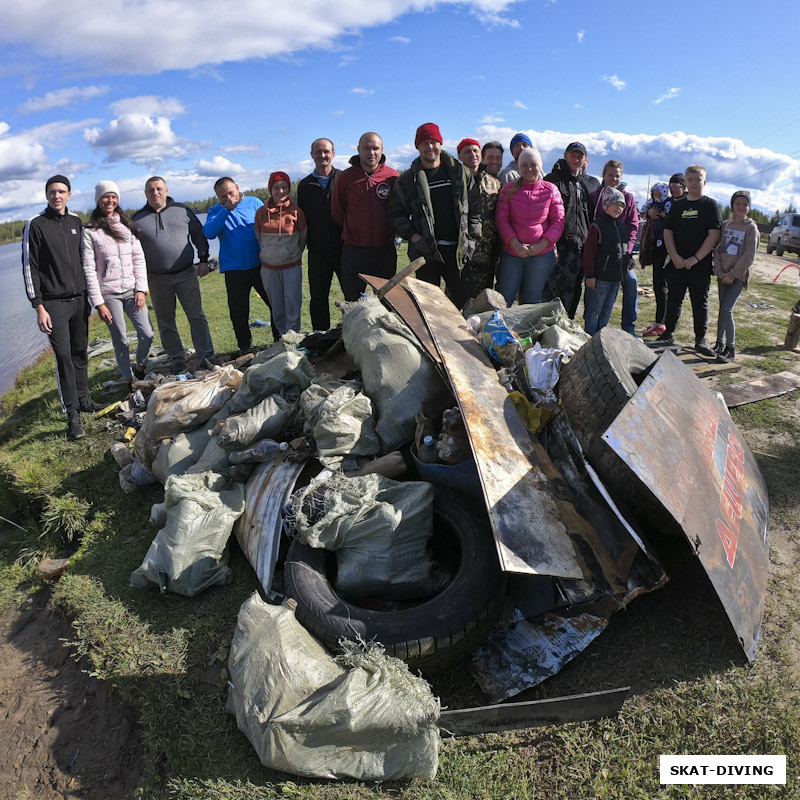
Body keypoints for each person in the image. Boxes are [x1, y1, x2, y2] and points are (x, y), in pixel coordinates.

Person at [22, 174, 96, 440]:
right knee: (63, 356)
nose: (57, 196)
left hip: (80, 299)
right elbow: (29, 267)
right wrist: (38, 306)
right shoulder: (35, 224)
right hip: (53, 303)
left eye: (62, 192)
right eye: (52, 192)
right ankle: (72, 415)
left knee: (80, 351)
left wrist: (92, 295)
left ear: (69, 195)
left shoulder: (76, 221)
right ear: (46, 195)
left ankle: (85, 401)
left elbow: (86, 259)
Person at [388, 122, 480, 309]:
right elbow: (395, 213)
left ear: (440, 144)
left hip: (458, 253)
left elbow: (476, 206)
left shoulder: (459, 172)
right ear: (417, 147)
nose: (430, 147)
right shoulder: (408, 179)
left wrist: (472, 236)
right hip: (426, 253)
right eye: (424, 143)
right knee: (429, 307)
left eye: (433, 142)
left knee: (466, 303)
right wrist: (414, 237)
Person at [132, 176, 214, 373]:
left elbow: (198, 235)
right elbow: (132, 252)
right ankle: (177, 359)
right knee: (165, 321)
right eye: (151, 190)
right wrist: (140, 283)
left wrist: (203, 260)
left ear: (166, 190)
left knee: (196, 316)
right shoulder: (136, 220)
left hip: (186, 273)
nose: (155, 193)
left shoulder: (182, 210)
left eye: (159, 188)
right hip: (156, 278)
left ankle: (207, 355)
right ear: (145, 193)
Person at [82, 180, 155, 383]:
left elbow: (138, 259)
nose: (110, 200)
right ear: (98, 200)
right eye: (106, 197)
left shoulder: (127, 227)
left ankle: (140, 367)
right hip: (109, 294)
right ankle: (128, 379)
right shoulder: (90, 231)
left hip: (132, 291)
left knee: (147, 334)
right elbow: (89, 268)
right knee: (121, 339)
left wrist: (141, 289)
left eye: (113, 197)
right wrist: (99, 303)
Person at [203, 177, 277, 353]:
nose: (228, 198)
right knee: (238, 311)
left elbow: (268, 225)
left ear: (237, 187)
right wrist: (225, 210)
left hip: (260, 264)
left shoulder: (254, 202)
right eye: (222, 196)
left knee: (275, 303)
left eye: (230, 192)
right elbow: (209, 232)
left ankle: (279, 339)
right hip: (234, 269)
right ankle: (244, 347)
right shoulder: (216, 211)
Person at [657, 164, 722, 355]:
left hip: (699, 265)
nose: (694, 183)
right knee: (674, 298)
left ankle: (700, 339)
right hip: (678, 262)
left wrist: (695, 258)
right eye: (690, 180)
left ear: (704, 182)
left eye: (698, 180)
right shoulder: (679, 205)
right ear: (686, 182)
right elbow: (668, 232)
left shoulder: (710, 205)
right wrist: (675, 257)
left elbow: (714, 234)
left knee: (699, 301)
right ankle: (668, 332)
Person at [331, 131, 399, 300]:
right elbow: (338, 212)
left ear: (382, 150)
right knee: (353, 302)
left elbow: (399, 210)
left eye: (375, 148)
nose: (371, 152)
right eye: (366, 148)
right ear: (358, 150)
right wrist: (355, 231)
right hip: (354, 251)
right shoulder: (345, 178)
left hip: (385, 251)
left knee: (389, 301)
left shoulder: (393, 177)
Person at [495, 147, 564, 306]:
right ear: (519, 166)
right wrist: (514, 243)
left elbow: (558, 220)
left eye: (533, 164)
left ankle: (527, 331)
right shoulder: (509, 189)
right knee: (505, 297)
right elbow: (502, 218)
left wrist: (542, 244)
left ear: (540, 166)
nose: (529, 169)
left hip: (541, 254)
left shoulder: (551, 190)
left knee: (531, 300)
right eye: (524, 165)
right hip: (513, 252)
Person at [542, 142, 600, 317]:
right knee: (552, 292)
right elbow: (543, 215)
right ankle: (546, 331)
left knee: (574, 291)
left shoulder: (590, 184)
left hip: (582, 248)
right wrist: (550, 244)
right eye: (573, 155)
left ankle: (567, 327)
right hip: (559, 247)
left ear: (585, 160)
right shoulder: (552, 180)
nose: (576, 159)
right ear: (566, 155)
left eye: (580, 156)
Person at [297, 138, 343, 330]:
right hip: (317, 251)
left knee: (353, 295)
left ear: (333, 153)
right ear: (312, 155)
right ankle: (321, 337)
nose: (322, 155)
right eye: (318, 152)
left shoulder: (344, 178)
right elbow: (301, 218)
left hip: (344, 248)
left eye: (326, 152)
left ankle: (355, 334)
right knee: (318, 297)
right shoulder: (305, 185)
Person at [589, 160, 639, 336]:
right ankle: (590, 329)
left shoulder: (628, 198)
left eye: (617, 175)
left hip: (621, 254)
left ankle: (629, 326)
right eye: (610, 174)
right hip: (599, 255)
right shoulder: (595, 196)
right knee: (594, 292)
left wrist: (628, 251)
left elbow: (633, 226)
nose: (613, 178)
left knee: (631, 283)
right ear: (603, 175)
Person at [255, 171, 307, 334]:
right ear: (271, 189)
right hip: (269, 268)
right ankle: (282, 338)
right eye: (276, 187)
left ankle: (293, 340)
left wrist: (291, 253)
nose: (281, 191)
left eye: (284, 187)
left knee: (292, 304)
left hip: (291, 267)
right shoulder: (261, 213)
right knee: (277, 307)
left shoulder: (296, 212)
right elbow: (259, 237)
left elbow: (303, 238)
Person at [712, 190, 758, 361]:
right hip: (722, 275)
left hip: (737, 277)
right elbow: (717, 249)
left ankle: (730, 348)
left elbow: (749, 255)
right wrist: (719, 271)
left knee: (727, 310)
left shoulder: (751, 228)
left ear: (749, 207)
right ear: (733, 205)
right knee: (721, 310)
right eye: (738, 204)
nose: (741, 207)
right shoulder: (726, 225)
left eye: (745, 204)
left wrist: (732, 274)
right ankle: (719, 343)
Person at [640, 173, 686, 336]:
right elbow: (645, 214)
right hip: (660, 248)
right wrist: (650, 212)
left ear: (683, 187)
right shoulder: (667, 202)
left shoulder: (684, 203)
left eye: (676, 186)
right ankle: (660, 323)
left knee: (670, 289)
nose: (673, 189)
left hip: (677, 250)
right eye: (671, 186)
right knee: (659, 285)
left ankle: (665, 325)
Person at [457, 137, 501, 301]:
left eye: (475, 151)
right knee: (456, 296)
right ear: (460, 156)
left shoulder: (494, 184)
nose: (472, 154)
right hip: (460, 252)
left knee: (482, 300)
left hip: (486, 252)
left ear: (480, 155)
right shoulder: (454, 182)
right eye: (467, 151)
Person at [582, 187, 629, 335]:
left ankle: (601, 338)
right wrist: (590, 275)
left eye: (621, 205)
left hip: (616, 278)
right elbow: (589, 253)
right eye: (615, 204)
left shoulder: (622, 226)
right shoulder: (597, 226)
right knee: (593, 310)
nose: (618, 208)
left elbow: (624, 248)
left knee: (607, 310)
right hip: (600, 278)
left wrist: (628, 260)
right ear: (606, 205)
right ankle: (590, 338)